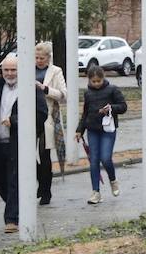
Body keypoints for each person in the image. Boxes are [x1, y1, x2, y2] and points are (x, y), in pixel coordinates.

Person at [0, 54, 48, 233]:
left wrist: (15, 120)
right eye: (6, 70)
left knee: (14, 179)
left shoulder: (31, 89)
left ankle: (12, 219)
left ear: (21, 70)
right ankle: (19, 204)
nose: (10, 73)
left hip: (19, 142)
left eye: (13, 70)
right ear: (1, 71)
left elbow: (41, 114)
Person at [74, 64, 127, 205]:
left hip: (108, 130)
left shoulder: (112, 90)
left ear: (103, 78)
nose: (96, 84)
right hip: (92, 130)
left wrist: (111, 108)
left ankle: (113, 180)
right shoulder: (88, 93)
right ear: (89, 80)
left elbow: (123, 107)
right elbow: (85, 113)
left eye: (99, 81)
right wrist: (79, 130)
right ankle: (95, 192)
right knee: (94, 161)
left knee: (106, 158)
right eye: (94, 81)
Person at [34, 41, 68, 205]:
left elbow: (63, 94)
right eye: (37, 57)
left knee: (44, 154)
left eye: (42, 58)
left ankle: (46, 191)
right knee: (24, 153)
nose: (39, 61)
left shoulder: (56, 71)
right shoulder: (27, 68)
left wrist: (45, 89)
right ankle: (41, 179)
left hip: (47, 117)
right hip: (28, 116)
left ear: (48, 58)